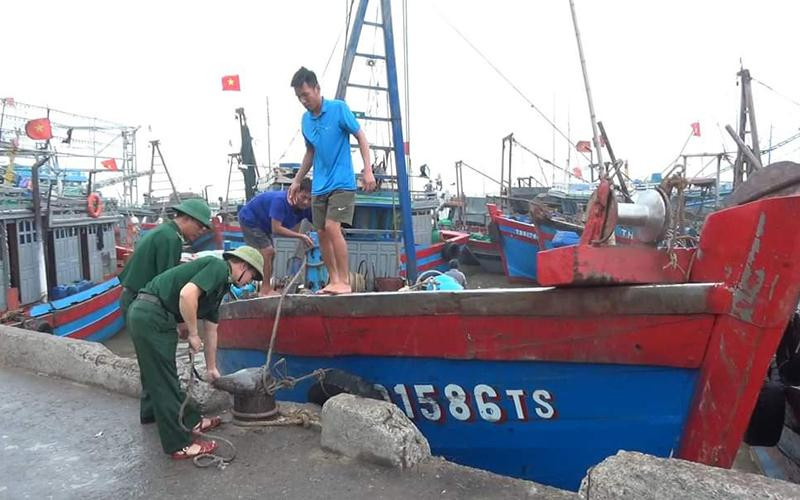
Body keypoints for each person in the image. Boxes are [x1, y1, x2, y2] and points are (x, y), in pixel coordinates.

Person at [126, 246, 263, 460]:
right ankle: (178, 444)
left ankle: (161, 415)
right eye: (252, 276)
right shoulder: (218, 267)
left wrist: (211, 368)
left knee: (155, 373)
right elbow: (187, 294)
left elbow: (212, 330)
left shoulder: (219, 289)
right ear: (243, 266)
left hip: (149, 314)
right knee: (164, 380)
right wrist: (192, 332)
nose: (249, 282)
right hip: (152, 316)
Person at [288, 66, 377, 295]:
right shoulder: (305, 121)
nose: (303, 101)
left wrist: (367, 170)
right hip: (319, 185)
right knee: (321, 231)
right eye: (299, 97)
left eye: (306, 95)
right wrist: (297, 180)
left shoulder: (338, 109)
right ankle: (333, 280)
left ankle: (345, 281)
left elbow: (361, 137)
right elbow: (310, 152)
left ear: (317, 89)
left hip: (342, 183)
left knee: (332, 226)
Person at [118, 199, 212, 318]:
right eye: (199, 226)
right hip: (141, 303)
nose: (200, 231)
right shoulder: (171, 238)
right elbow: (167, 284)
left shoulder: (165, 231)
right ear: (187, 218)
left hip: (133, 298)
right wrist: (181, 318)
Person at [238, 179, 314, 296]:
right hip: (250, 220)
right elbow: (276, 229)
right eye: (303, 197)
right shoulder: (280, 201)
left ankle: (265, 285)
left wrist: (334, 228)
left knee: (271, 254)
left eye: (309, 199)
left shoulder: (306, 208)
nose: (305, 202)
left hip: (264, 225)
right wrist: (301, 236)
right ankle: (265, 289)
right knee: (268, 252)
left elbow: (319, 224)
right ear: (295, 192)